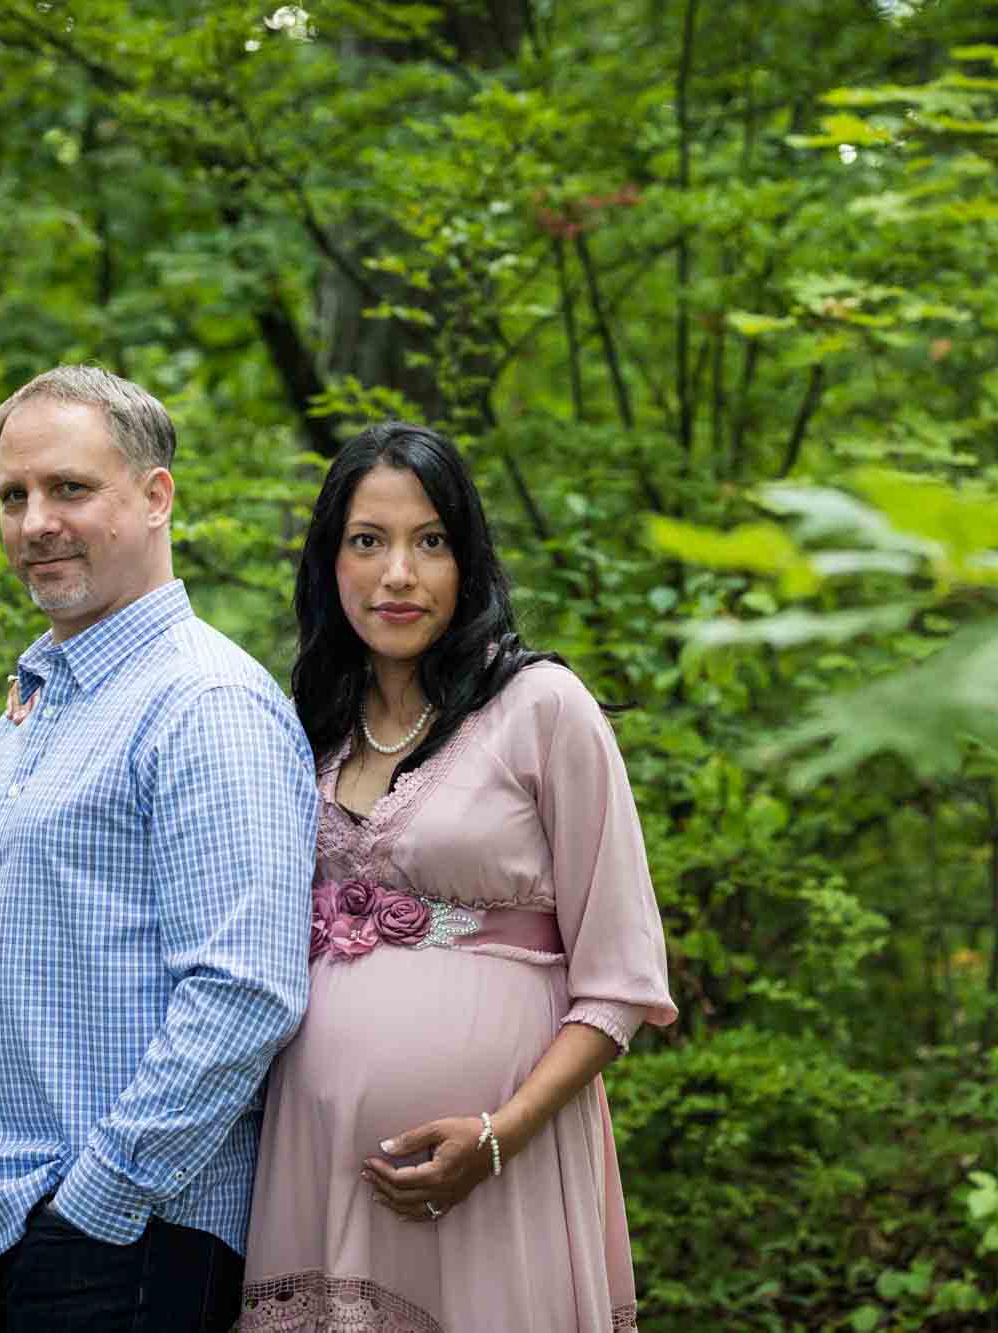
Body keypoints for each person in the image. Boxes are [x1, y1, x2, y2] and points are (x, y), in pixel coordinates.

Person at [239, 423, 678, 1332]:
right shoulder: (303, 728)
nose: (398, 573)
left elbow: (622, 981)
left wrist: (497, 1134)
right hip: (312, 1166)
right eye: (368, 541)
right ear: (329, 563)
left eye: (429, 541)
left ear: (467, 562)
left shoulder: (543, 708)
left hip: (500, 1173)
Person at [0, 365, 318, 1332]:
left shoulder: (206, 705)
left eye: (69, 488)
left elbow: (245, 990)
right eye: (13, 495)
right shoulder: (44, 697)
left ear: (156, 498)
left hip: (133, 1240)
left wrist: (99, 1203)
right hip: (13, 1224)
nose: (34, 522)